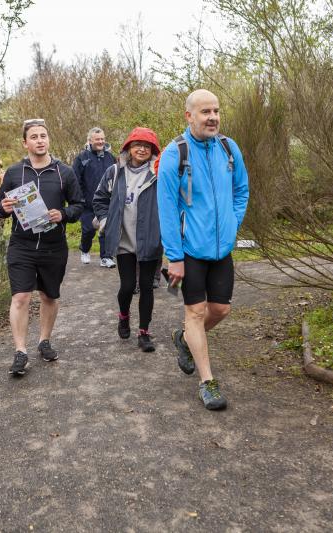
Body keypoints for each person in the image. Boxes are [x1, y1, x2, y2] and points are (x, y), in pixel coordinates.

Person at [157, 89, 250, 410]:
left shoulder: (228, 148)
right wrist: (175, 257)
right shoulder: (174, 155)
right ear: (189, 116)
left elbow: (241, 190)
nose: (212, 117)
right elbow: (166, 209)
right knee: (194, 313)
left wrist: (232, 223)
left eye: (216, 110)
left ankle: (183, 339)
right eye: (205, 112)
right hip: (190, 251)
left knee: (221, 310)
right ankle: (207, 382)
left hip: (222, 249)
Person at [0, 119, 84, 376]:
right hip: (21, 245)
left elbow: (79, 205)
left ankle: (44, 341)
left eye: (43, 136)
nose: (39, 140)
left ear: (48, 139)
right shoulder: (14, 172)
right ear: (25, 143)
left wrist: (64, 214)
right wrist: (4, 207)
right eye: (34, 137)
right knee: (21, 297)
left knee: (48, 296)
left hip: (53, 246)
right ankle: (20, 351)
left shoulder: (64, 172)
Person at [93, 127, 162, 353]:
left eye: (146, 146)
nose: (141, 149)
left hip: (150, 239)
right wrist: (105, 222)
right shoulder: (115, 172)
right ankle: (123, 316)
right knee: (127, 286)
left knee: (147, 287)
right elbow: (100, 198)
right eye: (137, 145)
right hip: (124, 241)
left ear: (153, 150)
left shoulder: (159, 173)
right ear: (128, 148)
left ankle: (144, 332)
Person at [72, 127, 117, 267]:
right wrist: (80, 199)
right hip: (87, 203)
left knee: (106, 229)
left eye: (102, 139)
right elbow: (75, 179)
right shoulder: (81, 158)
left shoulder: (111, 158)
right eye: (97, 139)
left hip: (106, 203)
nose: (101, 141)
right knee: (89, 230)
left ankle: (106, 257)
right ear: (90, 140)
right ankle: (84, 249)